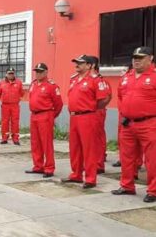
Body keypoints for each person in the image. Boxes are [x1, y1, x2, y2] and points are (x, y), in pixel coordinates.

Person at [111, 46, 156, 203]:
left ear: (150, 58)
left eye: (141, 57)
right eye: (134, 58)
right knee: (127, 157)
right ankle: (127, 186)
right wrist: (125, 113)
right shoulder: (127, 77)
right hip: (128, 124)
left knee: (152, 159)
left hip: (149, 123)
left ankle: (153, 190)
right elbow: (120, 97)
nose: (136, 60)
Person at [61, 55, 109, 189]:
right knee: (74, 147)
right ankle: (76, 174)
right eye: (76, 62)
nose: (77, 65)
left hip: (88, 116)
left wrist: (92, 110)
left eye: (80, 63)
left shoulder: (95, 79)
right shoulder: (74, 79)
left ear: (89, 65)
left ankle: (90, 178)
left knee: (89, 148)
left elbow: (103, 99)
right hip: (74, 117)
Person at [25, 63, 63, 178]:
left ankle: (49, 168)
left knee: (46, 143)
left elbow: (58, 104)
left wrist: (51, 116)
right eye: (36, 71)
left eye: (40, 71)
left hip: (45, 115)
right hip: (34, 115)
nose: (38, 74)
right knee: (35, 143)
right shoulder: (33, 84)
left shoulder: (51, 86)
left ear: (46, 72)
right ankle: (38, 166)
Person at [91, 61, 112, 174]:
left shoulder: (100, 81)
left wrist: (97, 108)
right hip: (89, 112)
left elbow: (108, 97)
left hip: (97, 111)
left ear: (92, 65)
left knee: (98, 137)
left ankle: (99, 163)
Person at [0, 67, 24, 145]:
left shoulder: (18, 83)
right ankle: (4, 138)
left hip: (15, 105)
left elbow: (22, 93)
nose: (11, 75)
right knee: (5, 122)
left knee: (15, 122)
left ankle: (15, 139)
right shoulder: (2, 83)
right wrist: (4, 99)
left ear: (14, 74)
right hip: (5, 106)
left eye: (12, 73)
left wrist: (16, 99)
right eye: (9, 73)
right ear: (6, 74)